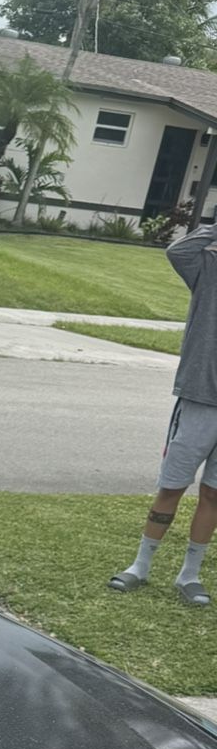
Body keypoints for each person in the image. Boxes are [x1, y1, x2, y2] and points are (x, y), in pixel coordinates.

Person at [108, 219, 217, 608]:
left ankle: (189, 575)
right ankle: (140, 566)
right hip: (200, 398)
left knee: (213, 494)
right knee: (172, 486)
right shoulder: (208, 268)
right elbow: (177, 252)